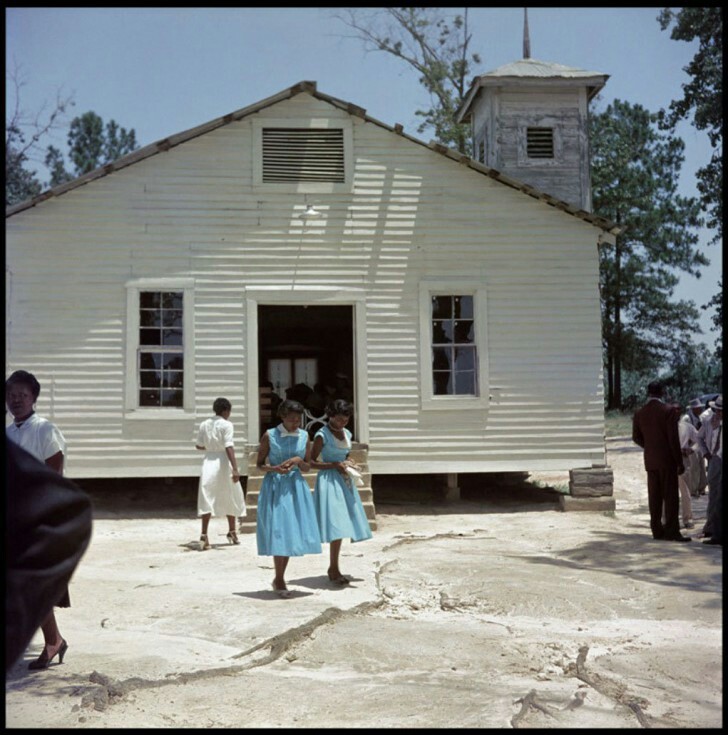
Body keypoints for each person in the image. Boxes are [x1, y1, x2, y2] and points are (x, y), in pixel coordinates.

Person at [5, 369, 86, 669]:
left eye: (22, 395)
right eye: (11, 396)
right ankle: (54, 640)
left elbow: (54, 476)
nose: (16, 401)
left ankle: (53, 641)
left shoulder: (45, 430)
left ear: (34, 398)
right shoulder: (9, 433)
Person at [255, 399, 322, 597]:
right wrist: (273, 468)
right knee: (279, 529)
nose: (296, 423)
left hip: (295, 486)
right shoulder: (270, 435)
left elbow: (308, 466)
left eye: (298, 420)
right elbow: (259, 464)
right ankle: (279, 578)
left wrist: (298, 460)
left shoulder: (304, 436)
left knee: (290, 530)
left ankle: (279, 577)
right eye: (291, 419)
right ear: (282, 417)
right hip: (275, 486)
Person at [310, 399, 372, 585]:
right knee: (336, 524)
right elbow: (311, 462)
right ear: (330, 416)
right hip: (329, 480)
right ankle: (333, 568)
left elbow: (345, 455)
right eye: (338, 419)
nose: (342, 423)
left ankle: (334, 567)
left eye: (345, 420)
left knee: (344, 523)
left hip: (344, 480)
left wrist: (350, 462)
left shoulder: (346, 433)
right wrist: (334, 465)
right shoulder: (322, 435)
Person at [632, 380, 690, 542]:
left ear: (648, 393)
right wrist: (679, 461)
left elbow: (635, 437)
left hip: (650, 460)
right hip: (667, 460)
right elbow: (673, 438)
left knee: (654, 496)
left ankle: (657, 531)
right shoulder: (668, 410)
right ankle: (672, 531)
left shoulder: (639, 412)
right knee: (670, 497)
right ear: (662, 392)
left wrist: (649, 447)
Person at [195, 397, 246, 549]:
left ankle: (204, 535)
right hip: (224, 461)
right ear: (226, 411)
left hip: (209, 461)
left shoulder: (204, 424)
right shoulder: (227, 424)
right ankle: (232, 531)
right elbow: (229, 446)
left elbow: (199, 446)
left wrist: (212, 448)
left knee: (207, 495)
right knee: (230, 493)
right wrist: (235, 468)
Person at [697, 395, 722, 546]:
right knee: (714, 495)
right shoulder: (708, 421)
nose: (719, 413)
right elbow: (699, 437)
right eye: (717, 410)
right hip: (715, 460)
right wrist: (706, 453)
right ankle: (712, 528)